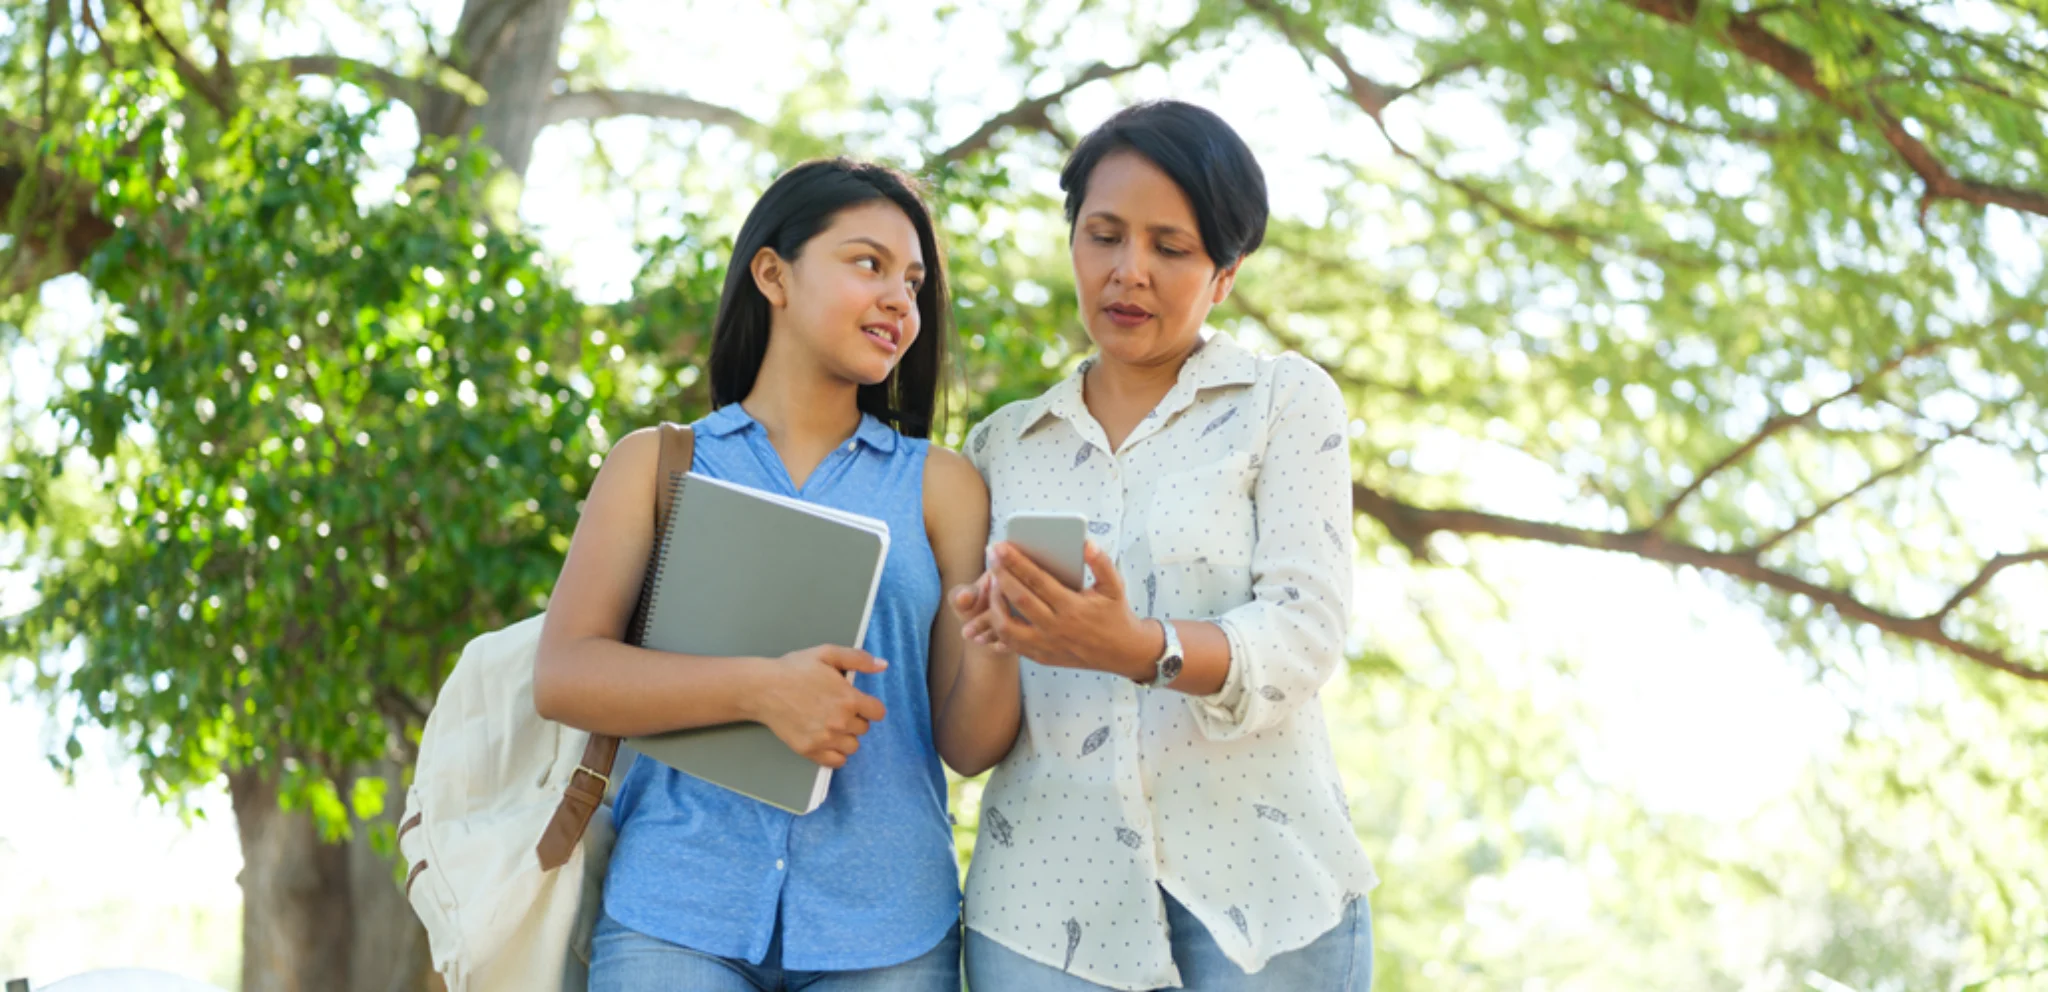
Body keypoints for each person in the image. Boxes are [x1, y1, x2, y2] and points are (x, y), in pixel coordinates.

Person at [531, 158, 1001, 992]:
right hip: (676, 916)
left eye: (916, 282)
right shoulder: (659, 465)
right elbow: (565, 675)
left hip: (887, 930)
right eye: (869, 264)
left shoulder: (943, 487)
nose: (901, 299)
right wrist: (760, 690)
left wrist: (1007, 636)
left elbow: (967, 745)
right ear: (773, 274)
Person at [948, 101, 1380, 991]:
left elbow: (1305, 629)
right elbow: (973, 737)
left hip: (1264, 899)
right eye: (1103, 236)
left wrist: (1139, 647)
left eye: (1170, 248)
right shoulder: (1000, 447)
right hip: (1041, 913)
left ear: (1225, 274)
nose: (1128, 271)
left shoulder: (1282, 403)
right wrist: (988, 640)